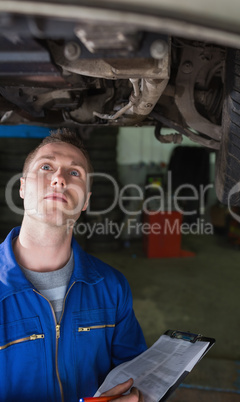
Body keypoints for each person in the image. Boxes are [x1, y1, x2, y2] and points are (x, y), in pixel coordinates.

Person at [0, 128, 147, 402]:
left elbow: (135, 377)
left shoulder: (112, 287)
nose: (59, 178)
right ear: (21, 187)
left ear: (86, 201)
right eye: (46, 166)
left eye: (75, 172)